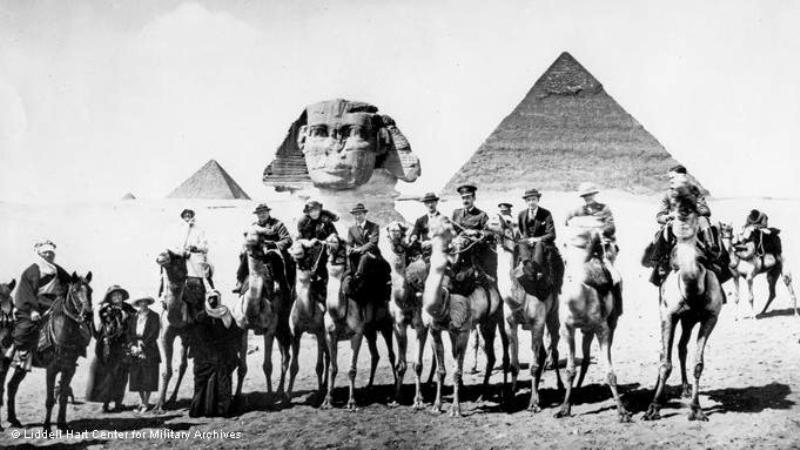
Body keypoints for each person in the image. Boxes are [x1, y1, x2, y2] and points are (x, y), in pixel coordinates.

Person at [645, 165, 719, 285]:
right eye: (670, 178)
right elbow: (659, 215)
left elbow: (706, 210)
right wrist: (668, 217)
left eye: (673, 177)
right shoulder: (668, 194)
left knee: (704, 221)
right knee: (667, 228)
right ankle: (660, 261)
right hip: (676, 222)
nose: (671, 180)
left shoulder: (695, 191)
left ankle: (711, 252)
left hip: (693, 221)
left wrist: (693, 210)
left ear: (683, 177)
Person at [11, 240, 71, 371]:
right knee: (26, 327)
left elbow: (70, 281)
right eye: (46, 252)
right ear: (40, 254)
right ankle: (22, 356)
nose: (49, 255)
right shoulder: (31, 270)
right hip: (35, 304)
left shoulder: (56, 269)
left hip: (55, 303)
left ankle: (70, 355)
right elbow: (26, 292)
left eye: (51, 253)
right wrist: (32, 310)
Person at [565, 183, 622, 313]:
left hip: (602, 246)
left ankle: (616, 308)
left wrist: (600, 230)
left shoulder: (604, 209)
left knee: (613, 275)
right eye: (585, 196)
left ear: (594, 195)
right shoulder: (577, 211)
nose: (588, 198)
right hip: (582, 247)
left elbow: (611, 226)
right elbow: (567, 223)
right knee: (571, 270)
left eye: (590, 195)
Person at [189, 292, 242, 418]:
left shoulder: (226, 313)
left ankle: (222, 410)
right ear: (207, 299)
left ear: (219, 299)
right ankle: (201, 409)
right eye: (210, 298)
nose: (212, 301)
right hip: (204, 355)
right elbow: (197, 337)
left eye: (215, 298)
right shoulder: (201, 316)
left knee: (222, 380)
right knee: (202, 380)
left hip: (223, 354)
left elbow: (233, 332)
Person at [86, 285, 135, 412]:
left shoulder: (129, 308)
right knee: (108, 375)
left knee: (122, 376)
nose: (117, 297)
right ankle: (105, 404)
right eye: (114, 295)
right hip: (109, 347)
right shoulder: (105, 310)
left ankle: (118, 403)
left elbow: (134, 322)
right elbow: (99, 328)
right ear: (110, 298)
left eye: (119, 294)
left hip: (125, 346)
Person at [232, 203, 294, 297]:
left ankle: (280, 284)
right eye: (259, 213)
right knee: (245, 254)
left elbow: (287, 240)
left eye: (264, 212)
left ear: (268, 212)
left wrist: (273, 244)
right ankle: (240, 281)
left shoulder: (278, 224)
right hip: (259, 252)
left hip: (275, 251)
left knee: (274, 258)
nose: (262, 215)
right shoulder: (254, 226)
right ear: (257, 215)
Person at [451, 185, 497, 284]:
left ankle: (455, 270)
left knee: (460, 243)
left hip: (474, 248)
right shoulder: (456, 213)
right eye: (463, 198)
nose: (465, 200)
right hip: (456, 245)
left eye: (468, 197)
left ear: (474, 198)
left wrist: (477, 232)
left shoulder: (481, 215)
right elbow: (452, 230)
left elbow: (490, 233)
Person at [515, 188, 560, 288]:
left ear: (538, 200)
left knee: (539, 245)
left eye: (533, 199)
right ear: (526, 202)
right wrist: (527, 240)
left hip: (542, 242)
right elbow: (522, 232)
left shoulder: (546, 214)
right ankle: (527, 268)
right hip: (527, 242)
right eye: (528, 200)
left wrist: (537, 239)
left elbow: (552, 234)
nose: (531, 202)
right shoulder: (521, 214)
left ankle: (536, 270)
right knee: (521, 243)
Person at [346, 203, 390, 296]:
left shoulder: (374, 226)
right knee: (349, 259)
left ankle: (358, 276)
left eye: (359, 214)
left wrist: (360, 249)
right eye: (355, 214)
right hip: (357, 255)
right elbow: (349, 243)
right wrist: (349, 248)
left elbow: (373, 242)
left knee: (366, 257)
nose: (357, 216)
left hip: (372, 254)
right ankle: (348, 284)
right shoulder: (351, 229)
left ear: (364, 214)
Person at [126, 296, 160, 414]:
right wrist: (132, 346)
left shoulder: (154, 316)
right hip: (135, 349)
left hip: (149, 349)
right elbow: (128, 333)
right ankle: (142, 402)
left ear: (148, 303)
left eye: (145, 302)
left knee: (148, 377)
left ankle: (146, 402)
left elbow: (154, 333)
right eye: (140, 302)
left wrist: (142, 346)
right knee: (137, 377)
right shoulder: (133, 317)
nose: (143, 304)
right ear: (138, 303)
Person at [296, 200, 340, 289]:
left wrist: (328, 239)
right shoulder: (303, 221)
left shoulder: (325, 219)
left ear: (320, 210)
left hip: (325, 246)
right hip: (309, 248)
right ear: (308, 213)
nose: (314, 213)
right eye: (311, 211)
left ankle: (325, 283)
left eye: (316, 210)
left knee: (326, 263)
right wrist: (307, 242)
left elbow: (334, 233)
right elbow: (299, 238)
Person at [408, 192, 442, 260]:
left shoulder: (443, 219)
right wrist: (414, 236)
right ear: (425, 204)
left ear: (436, 203)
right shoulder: (420, 220)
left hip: (440, 251)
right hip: (426, 251)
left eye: (432, 202)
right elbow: (415, 232)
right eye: (428, 203)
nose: (430, 205)